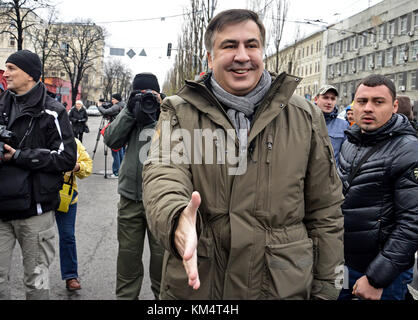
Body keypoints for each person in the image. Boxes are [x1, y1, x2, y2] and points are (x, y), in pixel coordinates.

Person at [142, 9, 344, 300]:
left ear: (262, 52)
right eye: (229, 46)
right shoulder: (179, 112)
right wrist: (177, 221)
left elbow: (326, 210)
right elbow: (163, 175)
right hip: (201, 287)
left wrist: (327, 288)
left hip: (282, 286)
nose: (242, 55)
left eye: (251, 45)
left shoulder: (304, 115)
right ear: (210, 58)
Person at [0, 49, 76, 300]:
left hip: (34, 214)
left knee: (36, 285)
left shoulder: (52, 111)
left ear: (30, 74)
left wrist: (18, 156)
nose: (4, 73)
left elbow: (66, 158)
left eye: (11, 68)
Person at [337, 74, 418, 300]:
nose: (368, 108)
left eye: (378, 102)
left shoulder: (409, 150)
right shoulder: (351, 141)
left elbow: (412, 222)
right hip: (342, 263)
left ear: (394, 107)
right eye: (362, 101)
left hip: (379, 272)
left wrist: (376, 278)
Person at [103, 72, 165, 300]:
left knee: (163, 264)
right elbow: (111, 140)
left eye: (150, 94)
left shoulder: (170, 111)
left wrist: (161, 109)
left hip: (162, 201)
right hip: (130, 199)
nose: (145, 98)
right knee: (128, 261)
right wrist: (130, 110)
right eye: (139, 94)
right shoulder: (130, 113)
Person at [55, 138, 92, 292]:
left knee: (67, 236)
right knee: (37, 237)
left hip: (66, 197)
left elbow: (87, 166)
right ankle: (36, 277)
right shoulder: (39, 136)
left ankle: (71, 276)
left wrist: (77, 167)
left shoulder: (72, 142)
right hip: (40, 195)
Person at [314, 85, 349, 167]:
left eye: (333, 99)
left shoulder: (344, 125)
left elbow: (346, 157)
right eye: (325, 97)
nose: (329, 102)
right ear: (316, 99)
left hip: (332, 177)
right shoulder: (306, 121)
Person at [97, 93, 125, 178]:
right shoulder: (123, 105)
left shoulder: (116, 106)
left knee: (115, 152)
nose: (111, 100)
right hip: (122, 131)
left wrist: (99, 106)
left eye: (113, 99)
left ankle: (116, 172)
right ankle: (121, 171)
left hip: (115, 131)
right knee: (121, 152)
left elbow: (105, 112)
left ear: (117, 99)